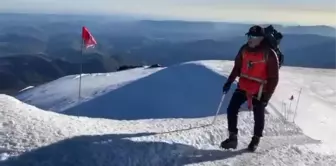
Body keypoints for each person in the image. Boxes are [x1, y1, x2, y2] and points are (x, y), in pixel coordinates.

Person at [220, 25, 280, 152]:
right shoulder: (244, 49)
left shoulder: (270, 54)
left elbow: (274, 78)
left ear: (261, 38)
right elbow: (237, 67)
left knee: (258, 113)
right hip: (244, 85)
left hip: (260, 90)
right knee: (232, 108)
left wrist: (267, 97)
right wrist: (229, 81)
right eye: (249, 36)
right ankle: (233, 138)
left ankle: (256, 139)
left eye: (253, 36)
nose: (250, 39)